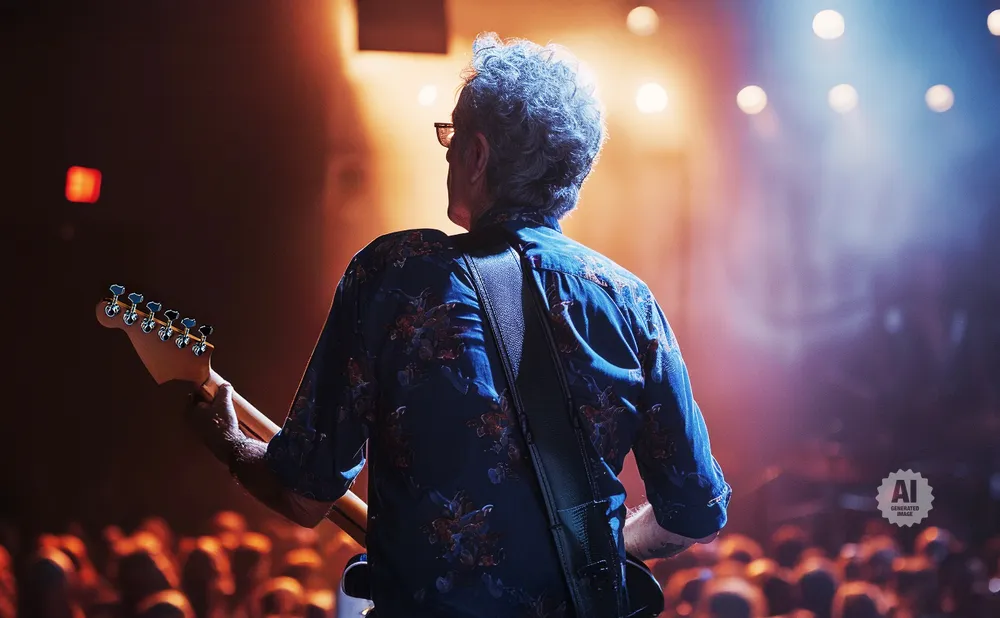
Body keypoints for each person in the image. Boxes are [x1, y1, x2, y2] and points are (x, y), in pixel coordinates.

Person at [186, 32, 730, 617]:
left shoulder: (396, 274)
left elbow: (303, 493)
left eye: (449, 138)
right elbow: (694, 511)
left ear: (476, 154)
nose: (446, 154)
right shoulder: (627, 301)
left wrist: (225, 438)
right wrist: (600, 545)